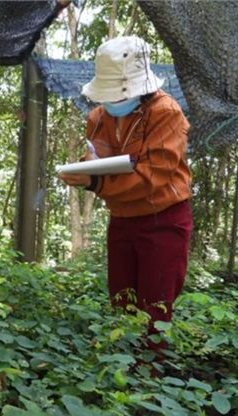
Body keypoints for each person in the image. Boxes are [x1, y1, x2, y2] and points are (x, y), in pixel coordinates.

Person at [60, 36, 193, 351]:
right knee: (122, 299)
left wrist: (98, 184)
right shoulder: (97, 118)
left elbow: (154, 178)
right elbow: (101, 159)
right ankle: (122, 371)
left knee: (155, 305)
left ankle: (152, 380)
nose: (115, 102)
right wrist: (86, 169)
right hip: (121, 219)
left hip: (164, 218)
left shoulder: (166, 113)